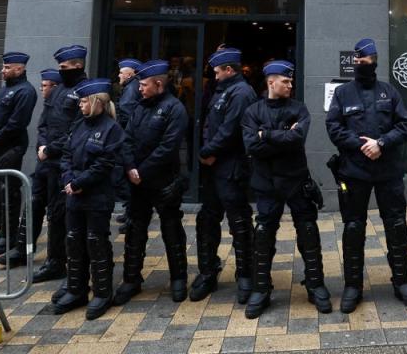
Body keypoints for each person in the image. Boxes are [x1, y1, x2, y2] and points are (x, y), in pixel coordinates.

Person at [326, 38, 407, 313]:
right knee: (354, 228)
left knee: (396, 225)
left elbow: (404, 125)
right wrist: (361, 144)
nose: (360, 64)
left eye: (365, 60)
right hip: (354, 172)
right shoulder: (343, 93)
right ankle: (353, 286)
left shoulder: (388, 91)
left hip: (387, 171)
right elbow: (333, 127)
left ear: (374, 61)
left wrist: (381, 143)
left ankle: (402, 281)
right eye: (357, 60)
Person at [241, 60, 331, 319]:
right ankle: (261, 289)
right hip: (266, 184)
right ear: (271, 82)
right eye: (286, 81)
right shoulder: (253, 111)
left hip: (296, 181)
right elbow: (251, 147)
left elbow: (296, 139)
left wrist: (265, 135)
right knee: (264, 235)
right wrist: (280, 135)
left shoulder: (298, 109)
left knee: (308, 232)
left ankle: (315, 284)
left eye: (291, 81)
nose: (291, 85)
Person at [113, 59, 190, 306]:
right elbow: (126, 139)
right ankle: (131, 278)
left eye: (144, 84)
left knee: (171, 230)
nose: (140, 89)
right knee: (135, 230)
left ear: (159, 84)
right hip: (138, 181)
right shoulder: (140, 107)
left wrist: (140, 170)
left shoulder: (174, 108)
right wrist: (129, 167)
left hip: (164, 180)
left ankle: (178, 279)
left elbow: (168, 147)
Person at [51, 79, 124, 320]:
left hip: (97, 196)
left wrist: (79, 183)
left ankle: (102, 292)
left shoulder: (111, 129)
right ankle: (76, 289)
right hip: (75, 194)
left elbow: (104, 163)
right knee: (74, 241)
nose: (80, 106)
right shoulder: (79, 125)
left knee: (96, 242)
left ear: (97, 103)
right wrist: (69, 180)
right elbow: (66, 155)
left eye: (84, 101)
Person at [192, 48, 258, 304]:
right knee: (207, 220)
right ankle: (208, 272)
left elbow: (231, 130)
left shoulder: (241, 92)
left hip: (231, 167)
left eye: (218, 72)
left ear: (229, 70)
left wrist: (208, 151)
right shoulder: (224, 90)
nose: (215, 76)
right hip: (214, 169)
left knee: (239, 223)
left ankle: (246, 274)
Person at [0, 68, 70, 284]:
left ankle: (56, 260)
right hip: (44, 163)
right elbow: (42, 127)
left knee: (56, 214)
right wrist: (42, 146)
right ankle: (23, 248)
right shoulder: (50, 103)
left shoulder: (67, 99)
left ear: (55, 86)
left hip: (57, 162)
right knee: (34, 202)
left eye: (46, 85)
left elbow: (70, 132)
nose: (42, 89)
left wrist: (49, 149)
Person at [0, 52, 37, 258]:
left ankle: (10, 234)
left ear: (19, 69)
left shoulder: (26, 92)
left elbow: (16, 124)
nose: (2, 71)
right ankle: (4, 228)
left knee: (8, 192)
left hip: (11, 148)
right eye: (3, 67)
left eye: (6, 68)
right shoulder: (6, 89)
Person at [114, 58, 142, 221]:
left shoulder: (131, 89)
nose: (118, 75)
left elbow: (126, 112)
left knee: (127, 176)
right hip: (129, 137)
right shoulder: (132, 86)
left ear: (130, 73)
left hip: (127, 137)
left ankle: (132, 216)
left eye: (121, 72)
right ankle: (130, 212)